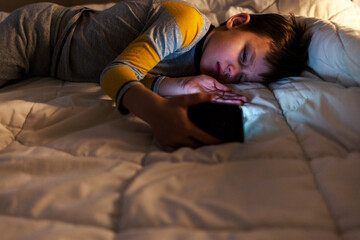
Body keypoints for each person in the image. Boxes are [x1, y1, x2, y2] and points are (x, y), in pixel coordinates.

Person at [0, 0, 310, 151]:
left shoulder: (196, 67)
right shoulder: (186, 23)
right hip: (40, 35)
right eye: (243, 56)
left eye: (242, 78)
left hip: (49, 64)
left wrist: (180, 85)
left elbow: (137, 73)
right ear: (237, 21)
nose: (232, 72)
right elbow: (116, 73)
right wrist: (156, 112)